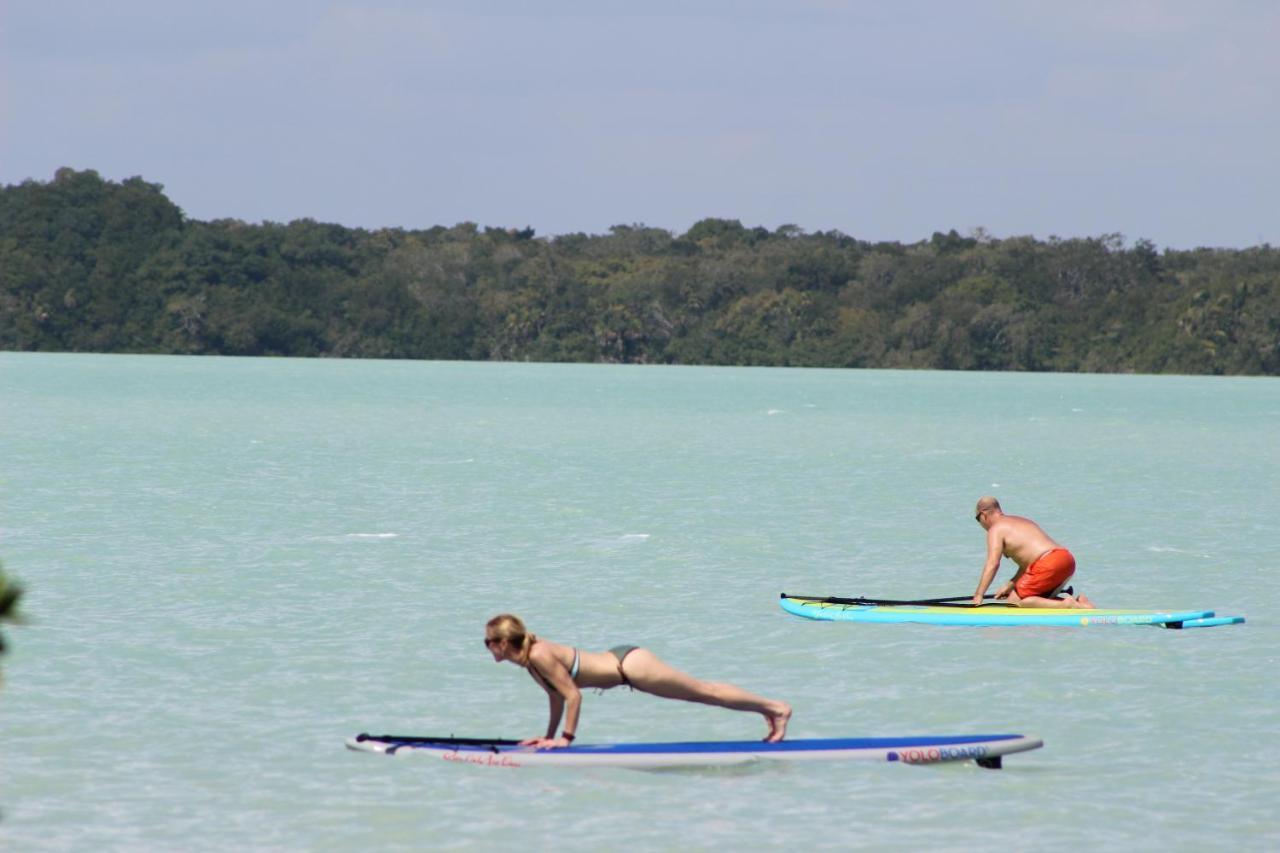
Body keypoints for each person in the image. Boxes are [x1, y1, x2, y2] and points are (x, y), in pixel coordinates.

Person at [484, 613, 792, 747]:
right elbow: (556, 696)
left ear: (503, 642)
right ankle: (767, 709)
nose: (488, 648)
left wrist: (566, 739)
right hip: (623, 663)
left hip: (629, 666)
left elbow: (573, 697)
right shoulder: (531, 661)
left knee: (703, 692)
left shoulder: (538, 655)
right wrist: (547, 737)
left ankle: (775, 708)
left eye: (489, 642)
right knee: (703, 692)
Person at [971, 497, 1095, 609]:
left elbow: (992, 564)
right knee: (1040, 599)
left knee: (1013, 602)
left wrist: (978, 595)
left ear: (983, 515)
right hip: (1066, 559)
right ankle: (1080, 604)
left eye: (978, 519)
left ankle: (1067, 604)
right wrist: (1012, 584)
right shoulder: (1020, 521)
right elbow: (1029, 562)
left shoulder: (996, 529)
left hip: (1048, 563)